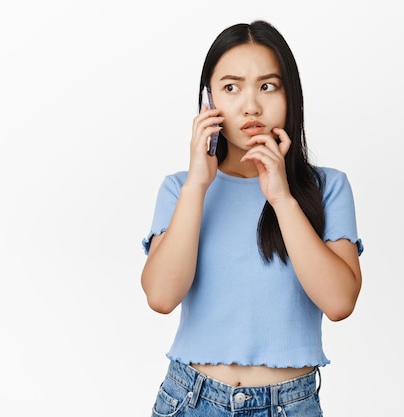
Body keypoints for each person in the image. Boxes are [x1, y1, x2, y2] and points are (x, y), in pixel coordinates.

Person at [141, 20, 363, 417]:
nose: (250, 105)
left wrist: (281, 197)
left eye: (267, 86)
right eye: (231, 87)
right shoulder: (181, 189)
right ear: (207, 101)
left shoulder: (326, 187)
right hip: (190, 400)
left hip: (288, 405)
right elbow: (160, 297)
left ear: (289, 95)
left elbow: (339, 302)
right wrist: (198, 184)